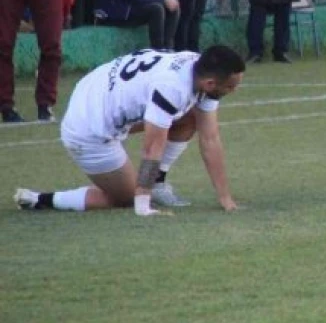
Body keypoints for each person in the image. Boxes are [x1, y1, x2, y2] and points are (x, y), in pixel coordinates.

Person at [14, 46, 244, 214]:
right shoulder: (173, 87)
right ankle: (41, 199)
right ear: (211, 84)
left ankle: (158, 182)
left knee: (190, 117)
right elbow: (152, 147)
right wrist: (143, 203)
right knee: (124, 198)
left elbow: (210, 138)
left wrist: (225, 198)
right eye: (231, 87)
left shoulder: (197, 68)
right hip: (87, 128)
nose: (233, 91)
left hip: (96, 91)